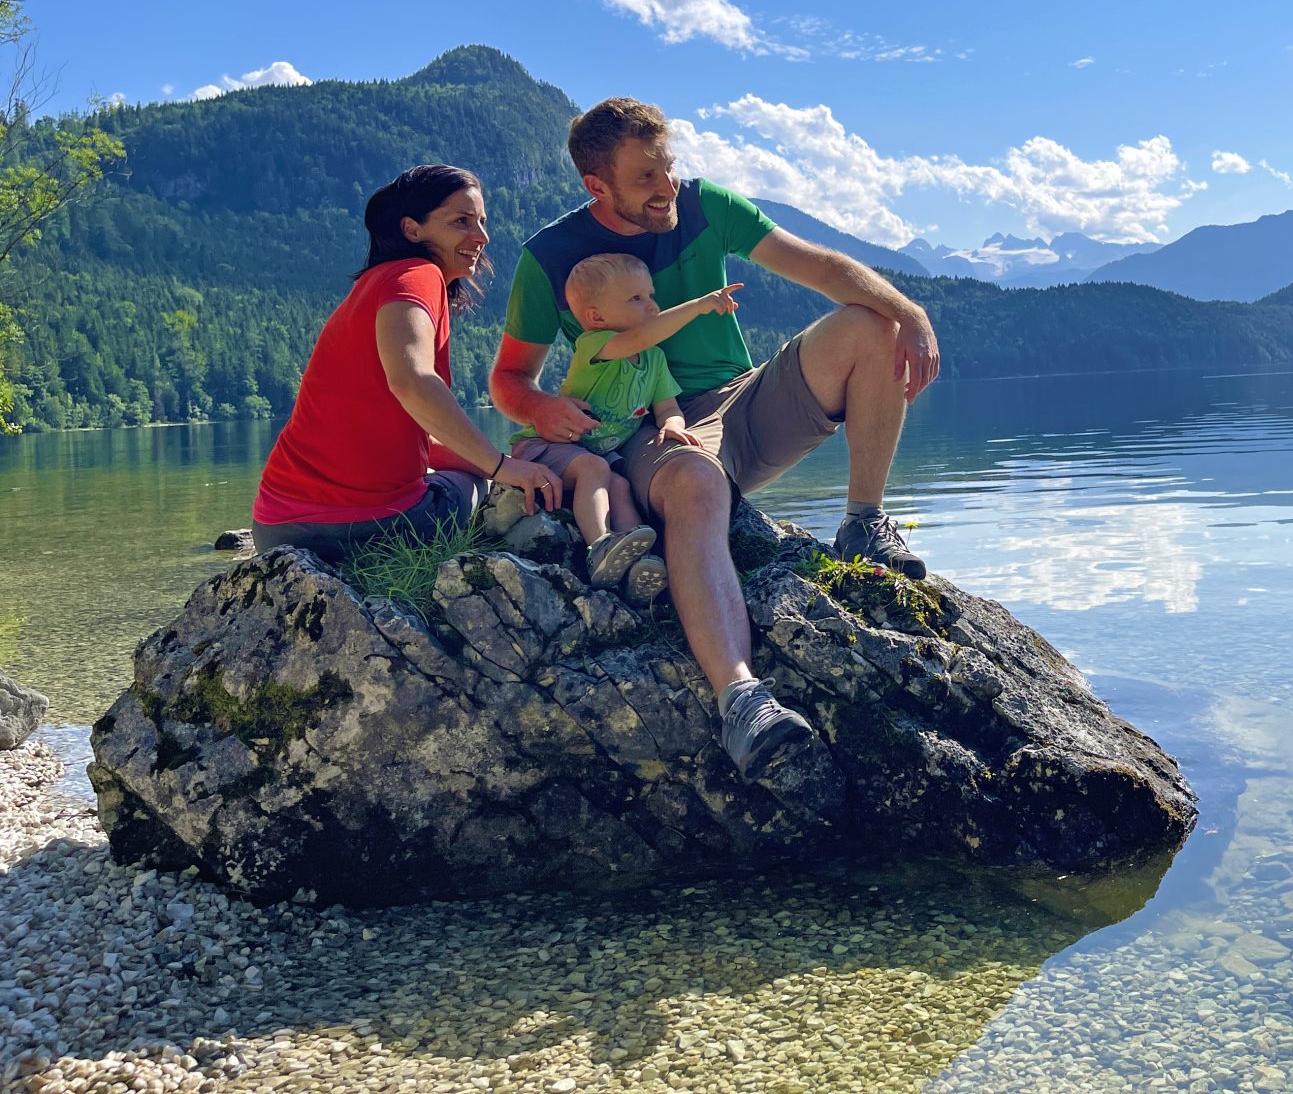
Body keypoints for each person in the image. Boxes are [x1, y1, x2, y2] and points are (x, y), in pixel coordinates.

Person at [490, 97, 942, 780]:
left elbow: (818, 266)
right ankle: (742, 699)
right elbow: (511, 379)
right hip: (650, 424)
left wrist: (908, 310)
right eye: (645, 177)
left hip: (744, 400)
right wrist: (544, 409)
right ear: (597, 186)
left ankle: (864, 522)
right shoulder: (552, 257)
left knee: (870, 325)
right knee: (696, 483)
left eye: (668, 168)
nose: (667, 187)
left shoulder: (707, 207)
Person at [253, 165, 560, 559]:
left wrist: (492, 458)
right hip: (369, 526)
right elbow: (413, 381)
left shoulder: (376, 283)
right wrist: (500, 468)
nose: (481, 236)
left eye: (482, 222)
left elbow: (419, 434)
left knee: (473, 467)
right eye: (461, 222)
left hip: (276, 529)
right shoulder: (418, 276)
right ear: (413, 229)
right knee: (472, 483)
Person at [500, 252, 744, 594]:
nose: (652, 307)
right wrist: (697, 306)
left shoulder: (654, 360)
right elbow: (639, 339)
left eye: (651, 296)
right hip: (548, 447)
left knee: (622, 487)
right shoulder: (595, 345)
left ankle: (634, 561)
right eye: (636, 298)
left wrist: (672, 424)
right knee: (595, 470)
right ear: (596, 316)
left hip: (594, 456)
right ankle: (599, 546)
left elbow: (667, 405)